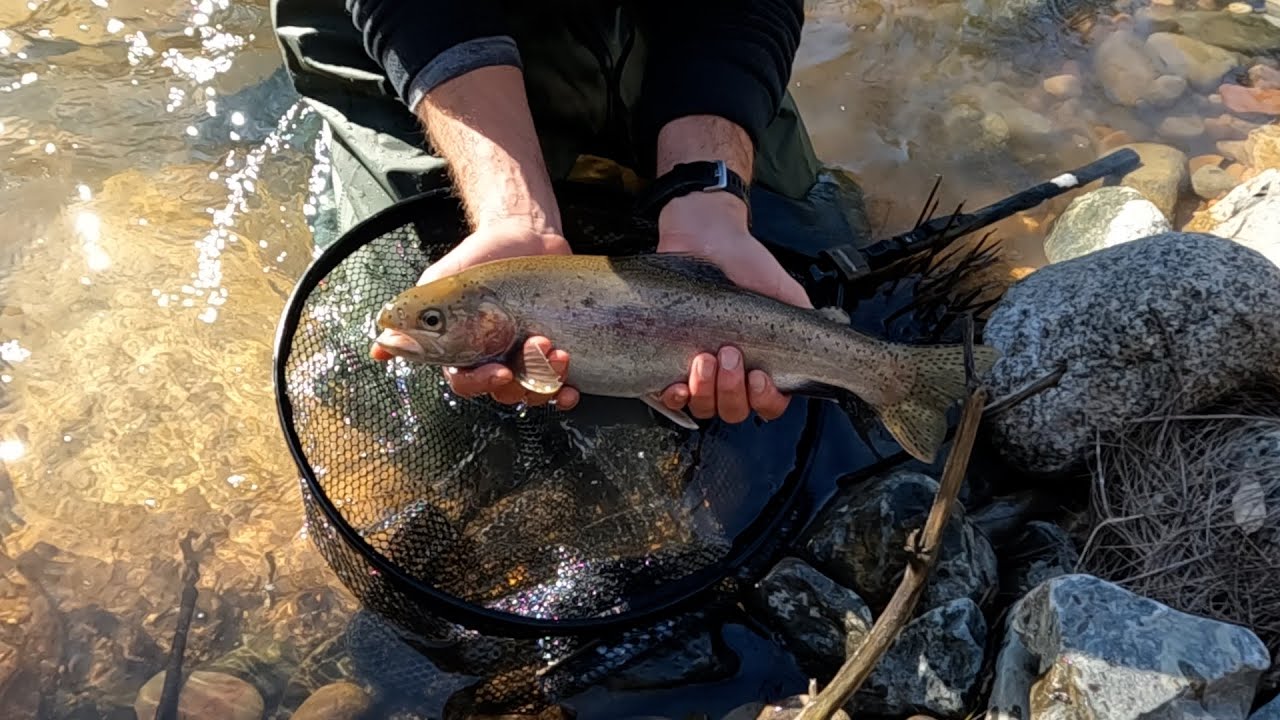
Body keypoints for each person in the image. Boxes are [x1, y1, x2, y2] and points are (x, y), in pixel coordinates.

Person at [270, 0, 868, 428]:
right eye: (431, 322)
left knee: (811, 234)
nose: (421, 326)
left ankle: (875, 373)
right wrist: (511, 210)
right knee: (401, 396)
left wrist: (707, 194)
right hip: (413, 35)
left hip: (673, 28)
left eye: (430, 322)